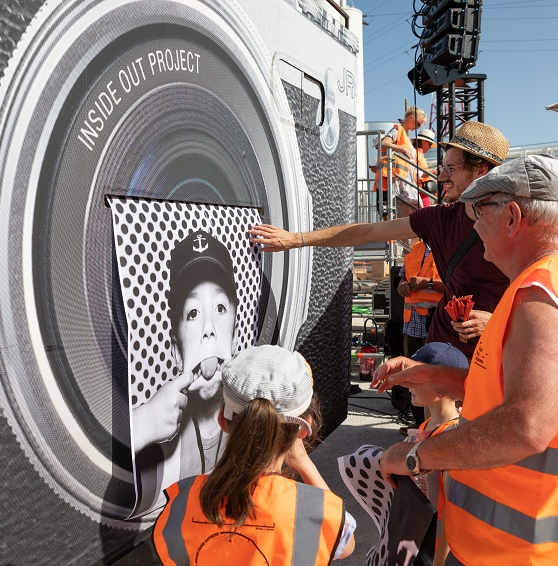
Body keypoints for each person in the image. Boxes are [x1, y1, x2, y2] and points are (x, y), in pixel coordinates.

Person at [372, 155, 558, 565]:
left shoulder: (539, 296)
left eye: (479, 211)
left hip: (537, 548)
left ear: (513, 217)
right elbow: (518, 391)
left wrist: (414, 457)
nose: (474, 225)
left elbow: (525, 425)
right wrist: (432, 375)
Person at [251, 121, 511, 359]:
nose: (441, 177)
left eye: (450, 169)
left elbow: (543, 294)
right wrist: (297, 239)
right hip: (443, 351)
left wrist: (494, 320)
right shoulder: (438, 218)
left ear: (480, 171)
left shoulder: (515, 223)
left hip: (495, 355)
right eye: (442, 167)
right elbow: (367, 232)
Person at [152, 345, 357, 565]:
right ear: (304, 428)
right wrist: (304, 464)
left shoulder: (182, 499)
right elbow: (346, 544)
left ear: (222, 419)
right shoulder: (314, 508)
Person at [131, 230, 237, 506]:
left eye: (220, 308)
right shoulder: (160, 450)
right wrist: (139, 427)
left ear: (234, 335)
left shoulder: (251, 423)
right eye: (193, 313)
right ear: (177, 350)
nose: (209, 330)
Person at [403, 343, 467, 565]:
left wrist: (439, 561)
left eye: (416, 378)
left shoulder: (454, 437)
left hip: (436, 549)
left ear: (441, 389)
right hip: (419, 538)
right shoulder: (425, 427)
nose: (406, 383)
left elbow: (453, 511)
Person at [398, 239, 443, 358]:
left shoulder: (448, 249)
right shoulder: (415, 248)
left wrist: (428, 283)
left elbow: (457, 285)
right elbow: (403, 275)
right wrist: (402, 284)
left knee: (433, 369)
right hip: (411, 325)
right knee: (410, 369)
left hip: (435, 324)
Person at [374, 106, 426, 207]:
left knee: (403, 209)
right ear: (411, 118)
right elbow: (384, 143)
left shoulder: (405, 135)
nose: (418, 127)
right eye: (418, 123)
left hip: (398, 179)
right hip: (389, 177)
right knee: (389, 211)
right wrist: (402, 149)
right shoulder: (398, 129)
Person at [414, 128, 439, 207]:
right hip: (419, 190)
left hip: (420, 190)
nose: (430, 147)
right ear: (423, 141)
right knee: (425, 214)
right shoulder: (416, 154)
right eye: (430, 144)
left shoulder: (418, 154)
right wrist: (432, 172)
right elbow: (415, 173)